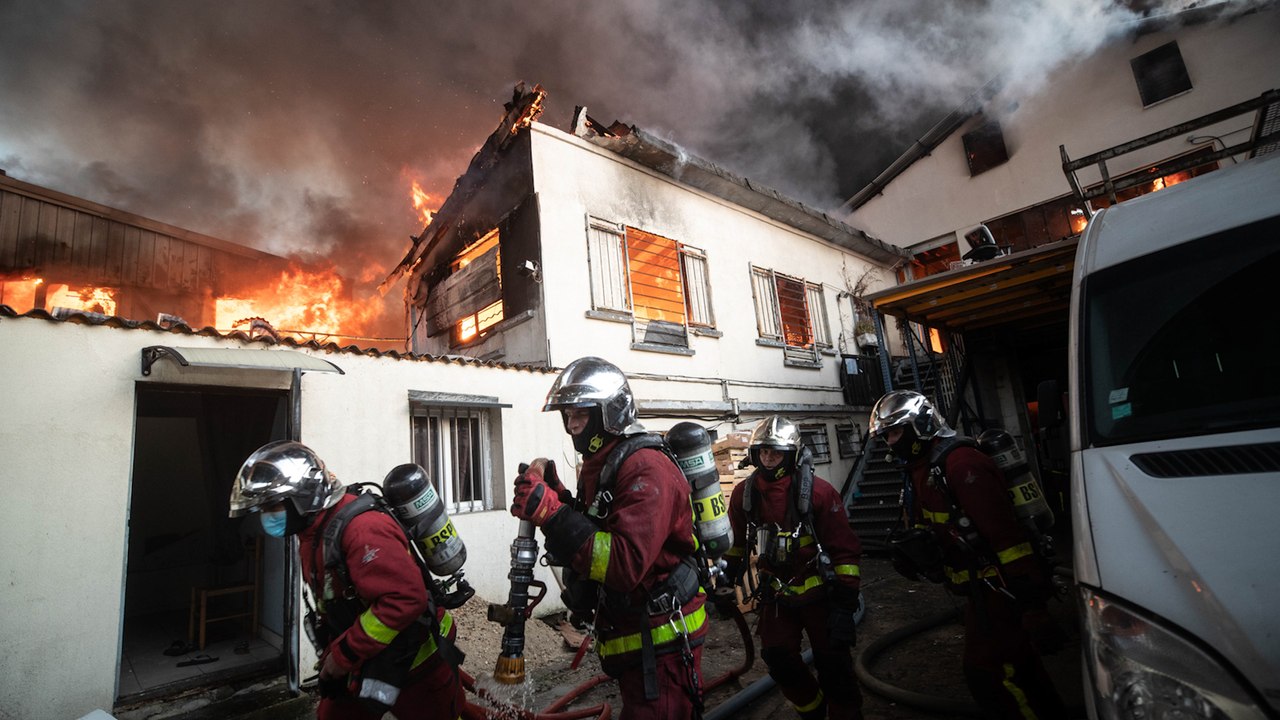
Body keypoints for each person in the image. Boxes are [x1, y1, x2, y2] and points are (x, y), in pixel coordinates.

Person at [509, 356, 707, 720]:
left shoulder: (645, 466)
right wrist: (559, 497)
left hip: (662, 638)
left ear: (610, 413)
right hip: (634, 632)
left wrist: (552, 513)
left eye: (581, 414)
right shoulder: (604, 462)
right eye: (567, 414)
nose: (572, 425)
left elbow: (623, 564)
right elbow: (600, 526)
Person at [229, 441, 465, 720]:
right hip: (371, 656)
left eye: (272, 507)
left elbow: (405, 599)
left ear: (304, 497)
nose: (267, 517)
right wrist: (334, 654)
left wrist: (343, 656)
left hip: (417, 657)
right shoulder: (313, 532)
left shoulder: (363, 530)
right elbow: (336, 599)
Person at [869, 390, 1065, 720]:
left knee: (991, 673)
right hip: (980, 591)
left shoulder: (962, 464)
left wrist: (1033, 605)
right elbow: (937, 526)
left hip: (1002, 589)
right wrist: (917, 553)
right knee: (1020, 667)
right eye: (886, 436)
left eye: (895, 432)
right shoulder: (923, 468)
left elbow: (1009, 539)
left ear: (921, 425)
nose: (890, 442)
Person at [718, 415, 864, 720]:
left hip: (821, 595)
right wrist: (725, 577)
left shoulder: (819, 493)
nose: (768, 459)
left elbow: (844, 550)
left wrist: (845, 605)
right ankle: (813, 710)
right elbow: (736, 544)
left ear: (792, 454)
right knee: (778, 658)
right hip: (777, 595)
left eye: (776, 452)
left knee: (834, 665)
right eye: (763, 452)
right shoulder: (745, 495)